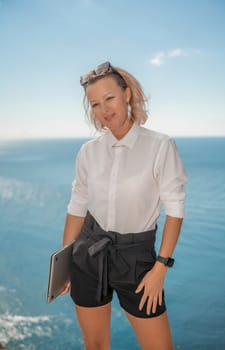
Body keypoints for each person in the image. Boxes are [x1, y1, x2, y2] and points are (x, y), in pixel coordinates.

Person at [61, 61, 187, 350]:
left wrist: (160, 268)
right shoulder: (88, 152)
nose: (104, 109)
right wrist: (63, 263)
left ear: (127, 94)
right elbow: (77, 207)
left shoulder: (160, 146)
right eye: (95, 104)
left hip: (138, 262)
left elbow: (175, 210)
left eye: (110, 98)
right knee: (94, 345)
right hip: (88, 256)